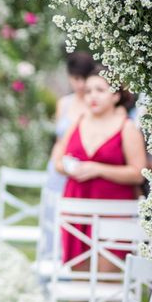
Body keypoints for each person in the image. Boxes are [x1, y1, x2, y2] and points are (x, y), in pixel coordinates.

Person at [53, 65, 146, 302]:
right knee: (80, 277)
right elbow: (58, 161)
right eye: (90, 90)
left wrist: (98, 169)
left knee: (108, 282)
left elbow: (138, 172)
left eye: (100, 90)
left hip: (114, 212)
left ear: (116, 95)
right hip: (77, 209)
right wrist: (71, 167)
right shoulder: (78, 122)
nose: (92, 96)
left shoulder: (127, 127)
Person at [40, 52, 95, 256]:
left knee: (74, 223)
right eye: (75, 79)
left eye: (84, 78)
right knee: (52, 218)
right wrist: (56, 162)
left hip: (82, 170)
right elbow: (58, 140)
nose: (80, 84)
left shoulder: (94, 103)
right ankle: (51, 264)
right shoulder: (64, 103)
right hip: (58, 169)